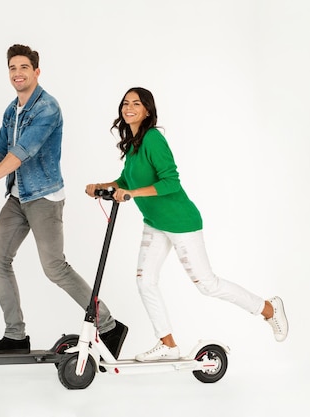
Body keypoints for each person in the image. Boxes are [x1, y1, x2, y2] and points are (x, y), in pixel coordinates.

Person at [85, 87, 288, 362]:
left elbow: (171, 182)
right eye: (125, 103)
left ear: (147, 110)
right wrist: (102, 186)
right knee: (145, 282)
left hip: (181, 222)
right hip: (155, 223)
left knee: (207, 284)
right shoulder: (133, 144)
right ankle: (167, 343)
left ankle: (268, 309)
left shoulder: (153, 139)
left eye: (136, 103)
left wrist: (132, 194)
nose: (129, 107)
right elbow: (126, 180)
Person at [0, 44, 128, 357]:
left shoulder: (48, 107)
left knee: (55, 269)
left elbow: (20, 154)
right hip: (16, 197)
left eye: (24, 67)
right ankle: (15, 336)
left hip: (44, 198)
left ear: (36, 71)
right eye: (12, 68)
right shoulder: (12, 109)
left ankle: (108, 325)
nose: (17, 73)